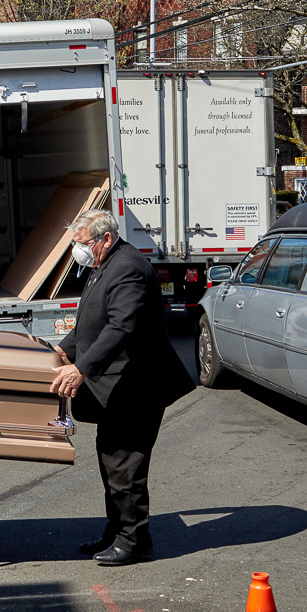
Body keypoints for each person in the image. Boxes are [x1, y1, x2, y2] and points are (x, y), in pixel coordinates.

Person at [51, 209, 194, 566]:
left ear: (105, 238)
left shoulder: (128, 268)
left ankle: (134, 541)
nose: (77, 250)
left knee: (126, 465)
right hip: (117, 388)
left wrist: (80, 369)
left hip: (137, 386)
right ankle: (117, 531)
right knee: (111, 459)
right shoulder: (103, 265)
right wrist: (62, 350)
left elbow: (119, 328)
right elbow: (90, 322)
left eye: (81, 243)